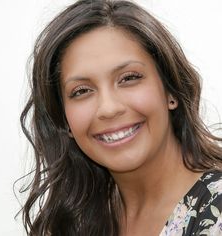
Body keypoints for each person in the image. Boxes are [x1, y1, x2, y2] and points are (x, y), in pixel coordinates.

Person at [20, 0, 222, 235]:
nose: (108, 108)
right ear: (64, 120)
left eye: (129, 78)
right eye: (82, 91)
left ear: (170, 89)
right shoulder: (77, 221)